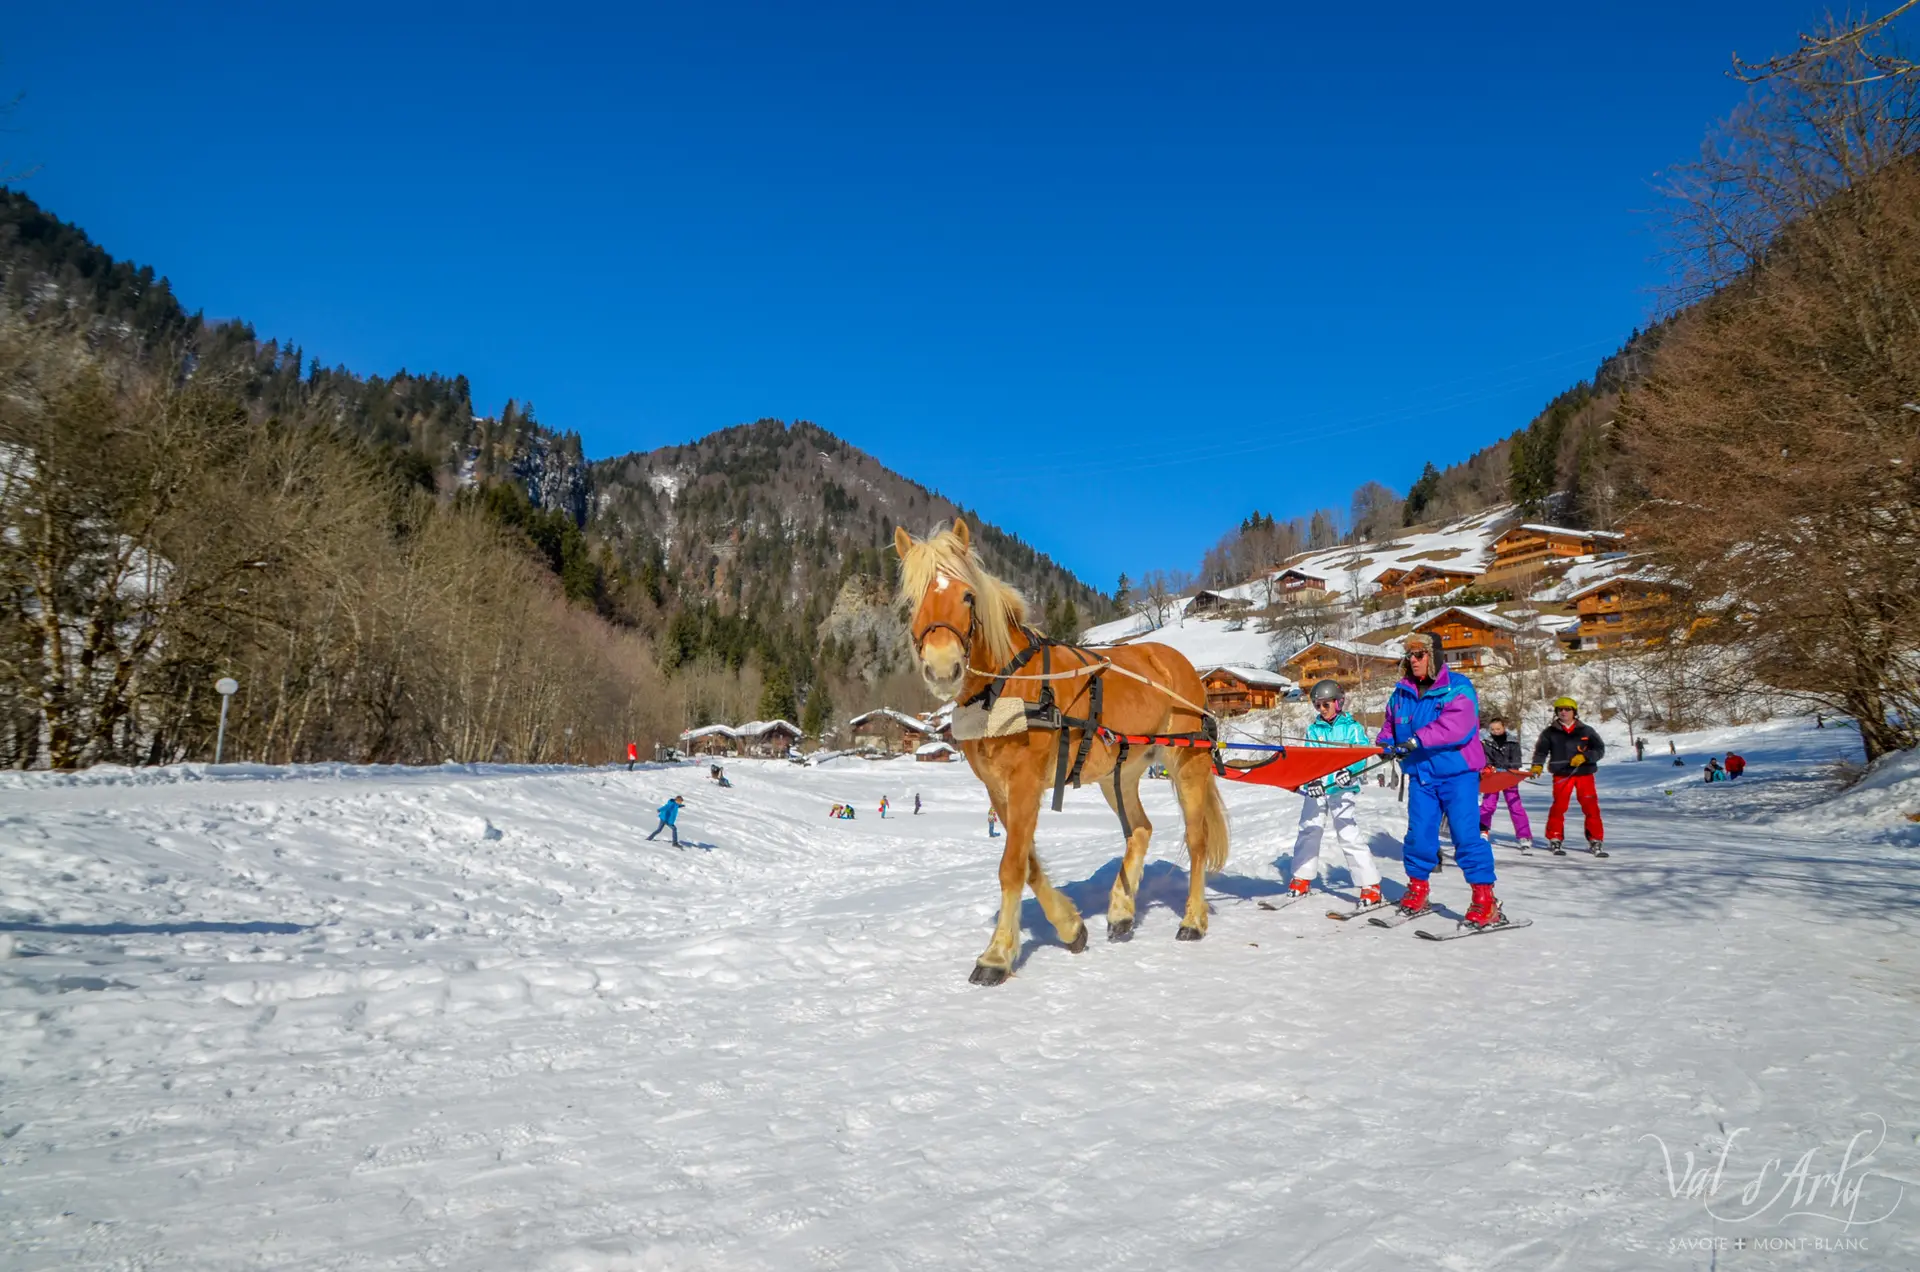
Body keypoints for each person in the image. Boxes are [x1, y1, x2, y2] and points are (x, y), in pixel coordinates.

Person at [1376, 634, 1503, 927]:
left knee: (1466, 835)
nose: (1413, 660)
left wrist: (1416, 740)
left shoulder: (1458, 687)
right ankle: (1418, 889)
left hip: (1457, 775)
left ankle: (1485, 899)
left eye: (1419, 654)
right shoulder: (1402, 693)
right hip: (1422, 776)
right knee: (1419, 835)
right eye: (1409, 655)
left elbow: (1457, 726)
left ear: (1433, 656)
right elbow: (1390, 724)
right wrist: (1385, 743)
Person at [1287, 680, 1383, 904]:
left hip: (1342, 788)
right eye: (1317, 705)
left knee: (1348, 833)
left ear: (1338, 703)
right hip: (1319, 789)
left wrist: (1349, 771)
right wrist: (1311, 781)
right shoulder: (1314, 729)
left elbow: (1361, 754)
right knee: (1309, 828)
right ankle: (1302, 877)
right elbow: (1309, 760)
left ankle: (1370, 884)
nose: (1321, 709)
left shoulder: (1352, 728)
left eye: (1325, 704)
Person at [1530, 697, 1606, 856]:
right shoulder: (1549, 732)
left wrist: (1585, 756)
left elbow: (1599, 750)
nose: (1563, 712)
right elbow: (1541, 751)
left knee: (1591, 806)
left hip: (1584, 773)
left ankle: (1595, 839)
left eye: (1567, 709)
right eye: (1560, 709)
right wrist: (1537, 765)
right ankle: (1555, 837)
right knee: (1559, 806)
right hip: (1562, 774)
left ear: (1574, 712)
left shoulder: (1586, 730)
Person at [1479, 716, 1534, 852]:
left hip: (1509, 777)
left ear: (1504, 727)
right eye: (1493, 729)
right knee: (1488, 805)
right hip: (1493, 778)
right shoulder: (1486, 743)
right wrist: (1488, 767)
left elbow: (1516, 761)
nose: (1495, 731)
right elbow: (1485, 760)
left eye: (1498, 729)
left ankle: (1524, 836)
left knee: (1515, 806)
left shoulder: (1513, 743)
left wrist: (1510, 769)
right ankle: (1482, 830)